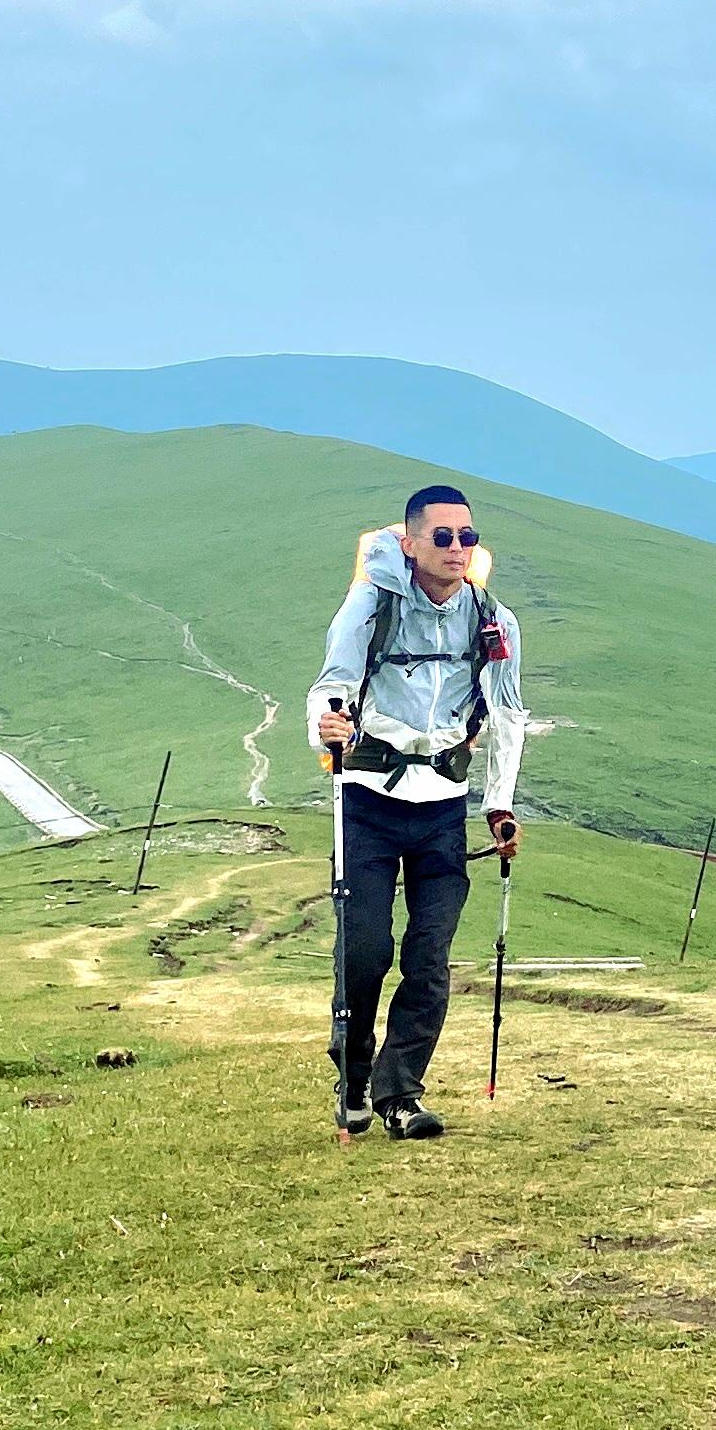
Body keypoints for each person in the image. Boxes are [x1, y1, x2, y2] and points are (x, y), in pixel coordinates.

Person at [311, 484, 527, 1141]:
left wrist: (499, 803)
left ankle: (400, 1094)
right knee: (365, 950)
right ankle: (353, 1074)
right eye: (442, 536)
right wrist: (325, 726)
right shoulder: (371, 604)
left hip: (442, 807)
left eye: (467, 536)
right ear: (409, 544)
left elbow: (508, 713)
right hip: (367, 800)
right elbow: (332, 685)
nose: (458, 548)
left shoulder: (492, 620)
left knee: (429, 957)